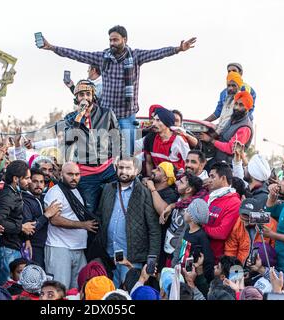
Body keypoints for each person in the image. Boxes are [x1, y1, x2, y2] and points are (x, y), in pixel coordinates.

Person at [39, 25, 196, 155]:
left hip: (127, 115)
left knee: (128, 153)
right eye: (110, 40)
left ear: (125, 40)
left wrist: (178, 49)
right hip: (106, 114)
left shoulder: (135, 56)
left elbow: (157, 53)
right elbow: (77, 55)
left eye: (115, 40)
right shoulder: (103, 57)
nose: (112, 43)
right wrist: (52, 48)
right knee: (103, 152)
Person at [97, 156, 160, 287]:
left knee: (130, 293)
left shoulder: (144, 192)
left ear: (136, 170)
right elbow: (100, 217)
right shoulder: (108, 189)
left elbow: (154, 229)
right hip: (108, 255)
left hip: (132, 257)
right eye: (121, 167)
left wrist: (152, 258)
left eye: (128, 168)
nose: (123, 171)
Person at [62, 79, 120, 214]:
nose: (85, 97)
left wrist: (118, 158)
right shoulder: (70, 118)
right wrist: (78, 118)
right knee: (89, 211)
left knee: (115, 207)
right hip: (86, 173)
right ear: (76, 98)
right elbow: (69, 141)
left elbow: (117, 137)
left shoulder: (106, 113)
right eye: (81, 95)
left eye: (88, 94)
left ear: (93, 96)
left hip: (108, 169)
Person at [44, 162, 96, 290]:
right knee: (59, 291)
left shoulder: (76, 191)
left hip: (78, 248)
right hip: (59, 248)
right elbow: (54, 220)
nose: (74, 177)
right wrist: (83, 225)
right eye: (70, 174)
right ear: (61, 174)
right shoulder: (55, 192)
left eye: (77, 174)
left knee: (78, 290)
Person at [0, 160, 32, 286]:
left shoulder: (15, 192)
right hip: (6, 248)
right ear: (16, 179)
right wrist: (20, 227)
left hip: (13, 246)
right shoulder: (7, 195)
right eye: (27, 178)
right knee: (6, 287)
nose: (29, 181)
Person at [162, 173, 205, 265]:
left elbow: (184, 234)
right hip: (167, 247)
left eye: (181, 182)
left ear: (188, 189)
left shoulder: (189, 211)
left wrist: (177, 257)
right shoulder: (178, 200)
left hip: (175, 252)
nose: (177, 183)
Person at [22, 168, 62, 268]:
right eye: (35, 181)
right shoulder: (24, 201)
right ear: (29, 182)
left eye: (41, 182)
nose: (39, 185)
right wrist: (47, 215)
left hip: (48, 245)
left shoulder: (44, 198)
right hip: (34, 247)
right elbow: (29, 229)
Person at [200, 91, 254, 165]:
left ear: (247, 108)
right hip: (217, 159)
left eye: (241, 105)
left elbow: (230, 148)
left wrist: (210, 140)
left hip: (228, 166)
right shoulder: (233, 118)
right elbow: (221, 132)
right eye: (236, 104)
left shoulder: (245, 128)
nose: (237, 107)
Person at [203, 162, 241, 262]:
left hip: (215, 260)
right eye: (209, 176)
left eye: (212, 177)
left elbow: (221, 233)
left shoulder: (234, 203)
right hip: (199, 254)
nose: (209, 180)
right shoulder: (209, 197)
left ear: (223, 178)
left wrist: (200, 227)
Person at [172, 199, 215, 282]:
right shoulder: (187, 230)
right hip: (181, 275)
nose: (185, 212)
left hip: (193, 279)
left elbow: (208, 260)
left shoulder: (201, 236)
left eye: (187, 211)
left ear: (192, 217)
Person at [224, 198, 278, 265]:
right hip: (241, 265)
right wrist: (235, 269)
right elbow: (230, 250)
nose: (246, 218)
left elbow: (274, 251)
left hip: (262, 265)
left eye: (249, 215)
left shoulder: (271, 224)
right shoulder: (237, 223)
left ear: (259, 213)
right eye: (244, 214)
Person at [144, 108, 190, 173]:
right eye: (154, 120)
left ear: (167, 122)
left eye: (158, 120)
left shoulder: (179, 140)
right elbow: (149, 163)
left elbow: (189, 163)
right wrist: (150, 178)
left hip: (177, 177)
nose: (154, 124)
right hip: (159, 176)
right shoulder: (150, 138)